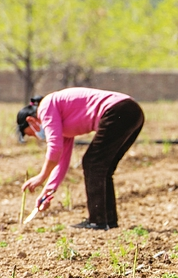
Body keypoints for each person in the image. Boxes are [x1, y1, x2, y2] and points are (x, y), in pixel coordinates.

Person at [16, 87, 145, 230]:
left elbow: (54, 148)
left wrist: (41, 176)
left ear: (31, 121)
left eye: (31, 134)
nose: (36, 136)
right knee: (102, 167)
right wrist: (47, 192)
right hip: (132, 111)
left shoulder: (46, 107)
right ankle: (108, 220)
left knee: (93, 163)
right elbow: (62, 161)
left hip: (118, 110)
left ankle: (97, 221)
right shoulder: (60, 120)